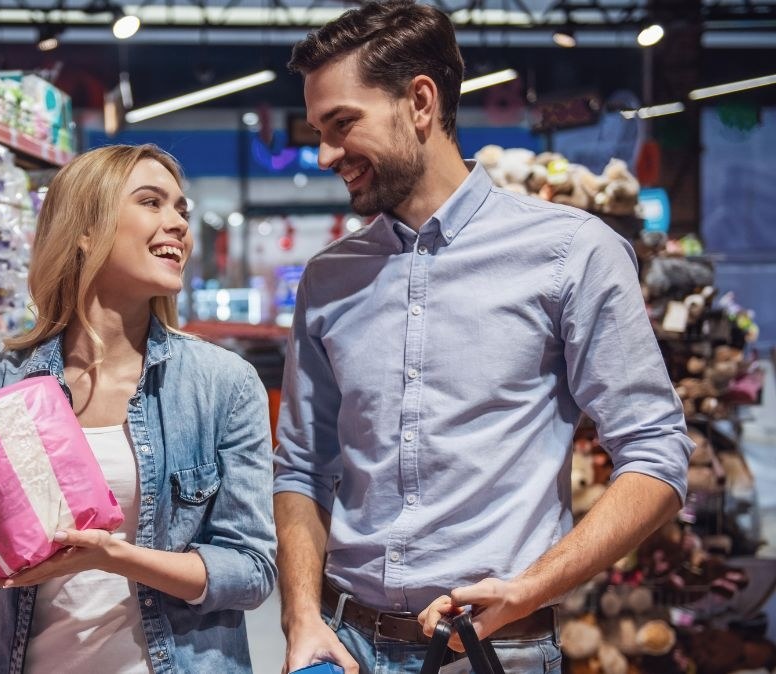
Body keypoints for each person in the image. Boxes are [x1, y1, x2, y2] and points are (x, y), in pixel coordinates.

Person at [273, 2, 692, 672]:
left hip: (496, 650)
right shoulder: (328, 279)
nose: (325, 154)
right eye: (319, 130)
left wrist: (534, 586)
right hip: (343, 645)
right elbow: (302, 467)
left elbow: (657, 453)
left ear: (419, 101)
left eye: (342, 124)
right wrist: (299, 618)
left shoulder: (571, 252)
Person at [0, 144, 277, 673]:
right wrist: (1, 532)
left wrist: (113, 557)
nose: (178, 225)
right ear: (85, 228)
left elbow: (251, 571)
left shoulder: (221, 384)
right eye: (152, 203)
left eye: (180, 210)